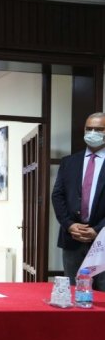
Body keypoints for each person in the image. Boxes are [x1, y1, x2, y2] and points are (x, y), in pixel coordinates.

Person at [51, 112, 105, 290]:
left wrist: (97, 229)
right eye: (89, 128)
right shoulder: (69, 162)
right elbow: (57, 196)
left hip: (103, 239)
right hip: (72, 238)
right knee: (74, 292)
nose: (92, 133)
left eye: (98, 129)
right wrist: (69, 225)